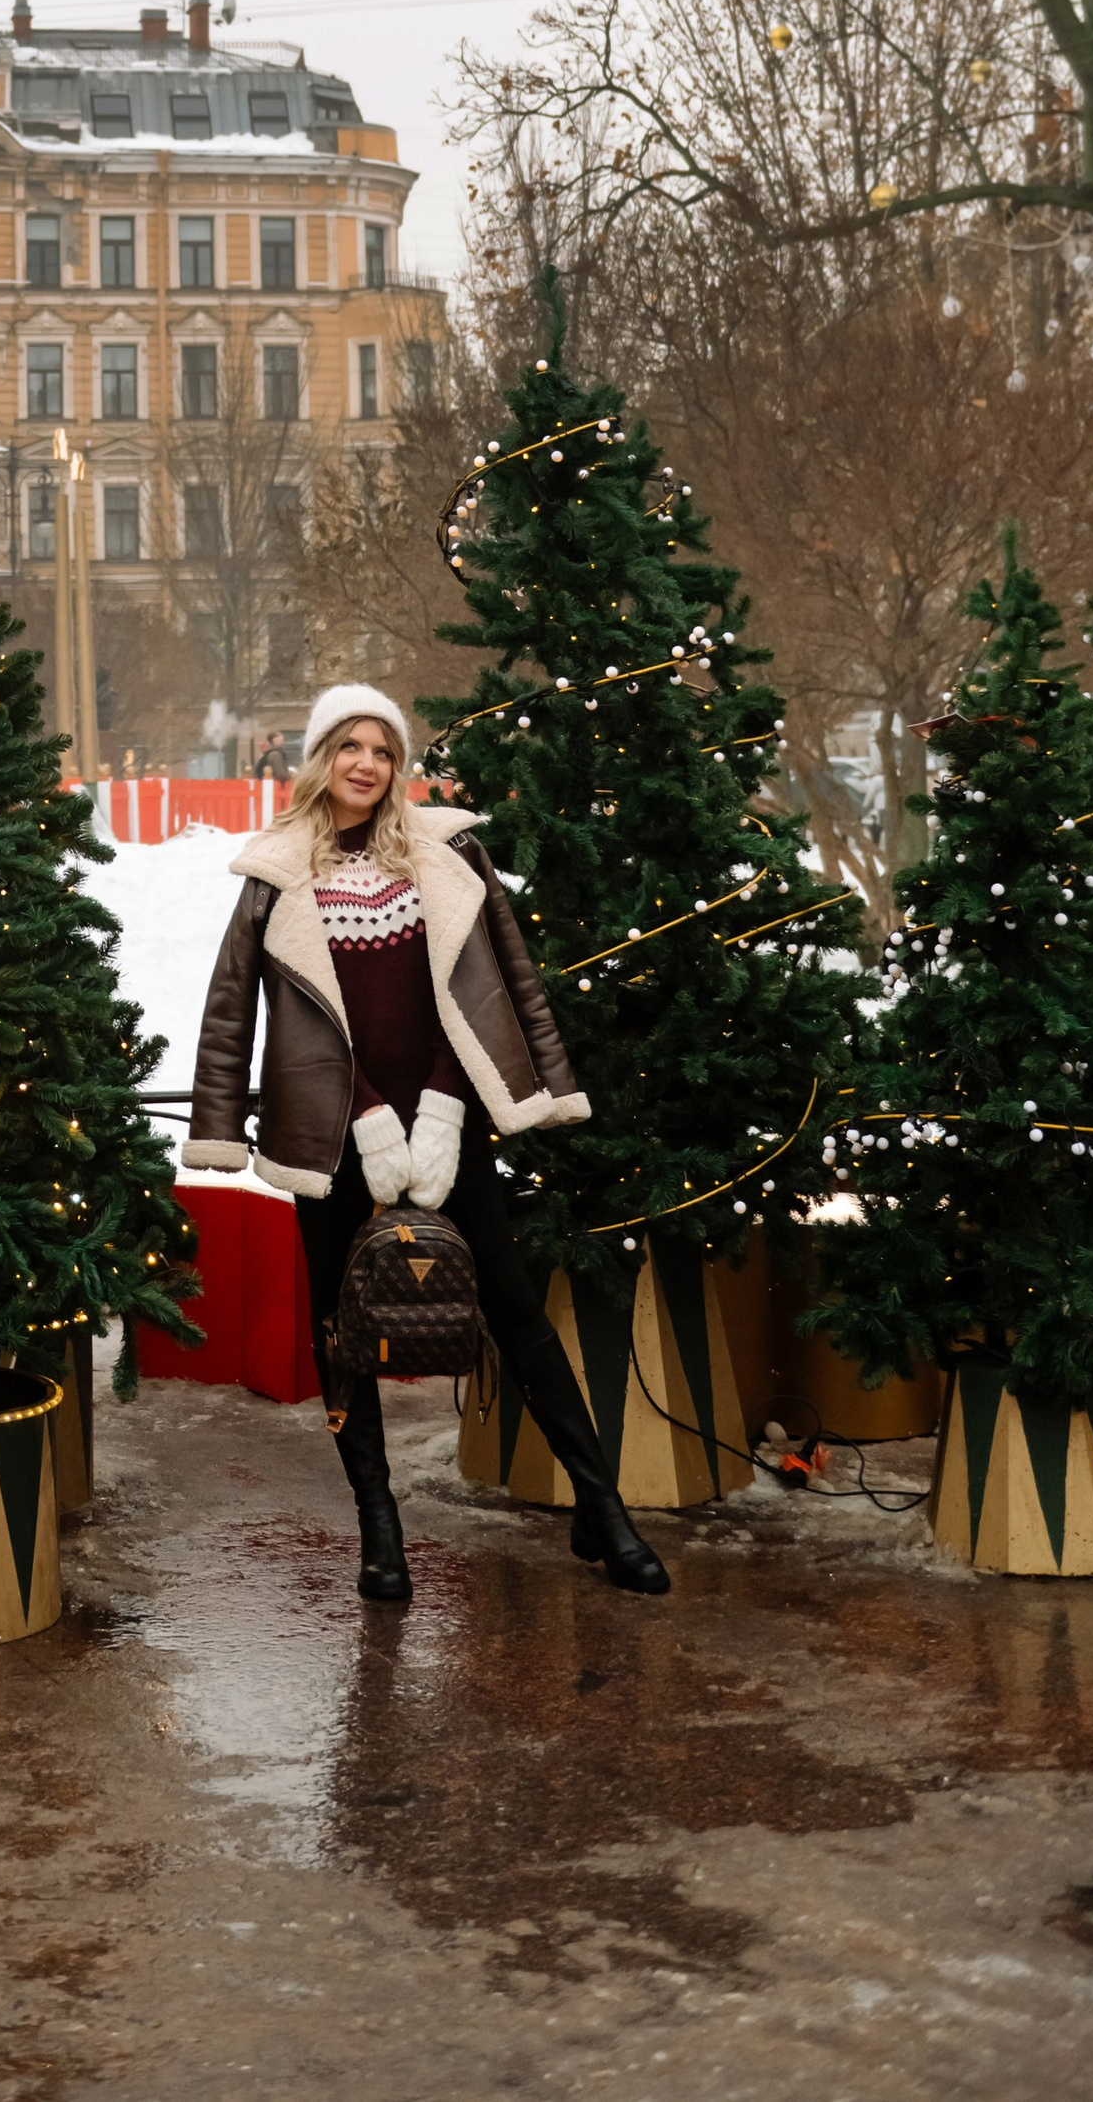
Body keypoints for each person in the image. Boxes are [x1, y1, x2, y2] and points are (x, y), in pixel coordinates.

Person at [186, 682, 669, 1606]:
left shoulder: (448, 854)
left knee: (515, 1308)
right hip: (329, 1136)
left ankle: (602, 1508)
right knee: (343, 1332)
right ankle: (379, 1525)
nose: (366, 763)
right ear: (320, 758)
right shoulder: (275, 872)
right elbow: (228, 1010)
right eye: (349, 746)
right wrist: (333, 1116)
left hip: (448, 1121)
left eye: (383, 749)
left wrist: (448, 1104)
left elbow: (500, 981)